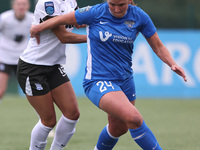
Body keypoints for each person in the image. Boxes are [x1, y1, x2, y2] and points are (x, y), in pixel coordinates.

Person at [29, 0, 187, 149]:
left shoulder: (139, 16)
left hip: (125, 80)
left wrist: (172, 63)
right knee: (134, 119)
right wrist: (38, 28)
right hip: (98, 80)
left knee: (119, 128)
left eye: (121, 5)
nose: (117, 9)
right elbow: (61, 19)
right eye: (112, 4)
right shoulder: (94, 12)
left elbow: (158, 46)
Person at [16, 0, 87, 149]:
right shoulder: (48, 3)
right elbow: (64, 36)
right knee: (48, 121)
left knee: (72, 114)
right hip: (33, 68)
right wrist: (97, 39)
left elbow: (79, 21)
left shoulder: (70, 1)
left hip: (53, 66)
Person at [0, 0, 33, 102]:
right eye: (18, 4)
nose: (21, 7)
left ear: (28, 6)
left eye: (24, 4)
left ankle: (42, 116)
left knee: (31, 91)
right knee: (1, 90)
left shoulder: (32, 18)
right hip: (4, 56)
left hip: (22, 58)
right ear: (13, 6)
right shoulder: (4, 18)